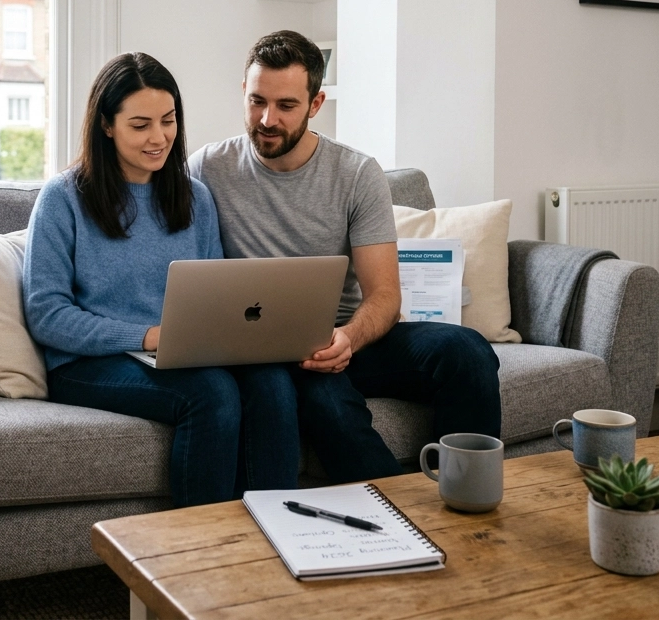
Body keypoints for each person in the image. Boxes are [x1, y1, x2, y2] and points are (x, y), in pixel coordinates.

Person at [189, 30, 502, 483]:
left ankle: (467, 491)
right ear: (243, 92)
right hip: (264, 349)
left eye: (286, 106)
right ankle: (402, 520)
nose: (267, 119)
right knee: (327, 403)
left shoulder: (356, 174)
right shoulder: (207, 168)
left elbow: (385, 296)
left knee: (466, 350)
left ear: (316, 105)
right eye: (257, 101)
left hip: (348, 337)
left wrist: (348, 340)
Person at [22, 52, 301, 507]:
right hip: (88, 363)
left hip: (180, 353)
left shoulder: (195, 197)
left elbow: (217, 296)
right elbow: (47, 314)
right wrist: (147, 335)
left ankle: (277, 532)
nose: (159, 137)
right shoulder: (63, 198)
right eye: (140, 125)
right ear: (106, 125)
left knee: (271, 381)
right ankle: (198, 551)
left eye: (168, 121)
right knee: (212, 395)